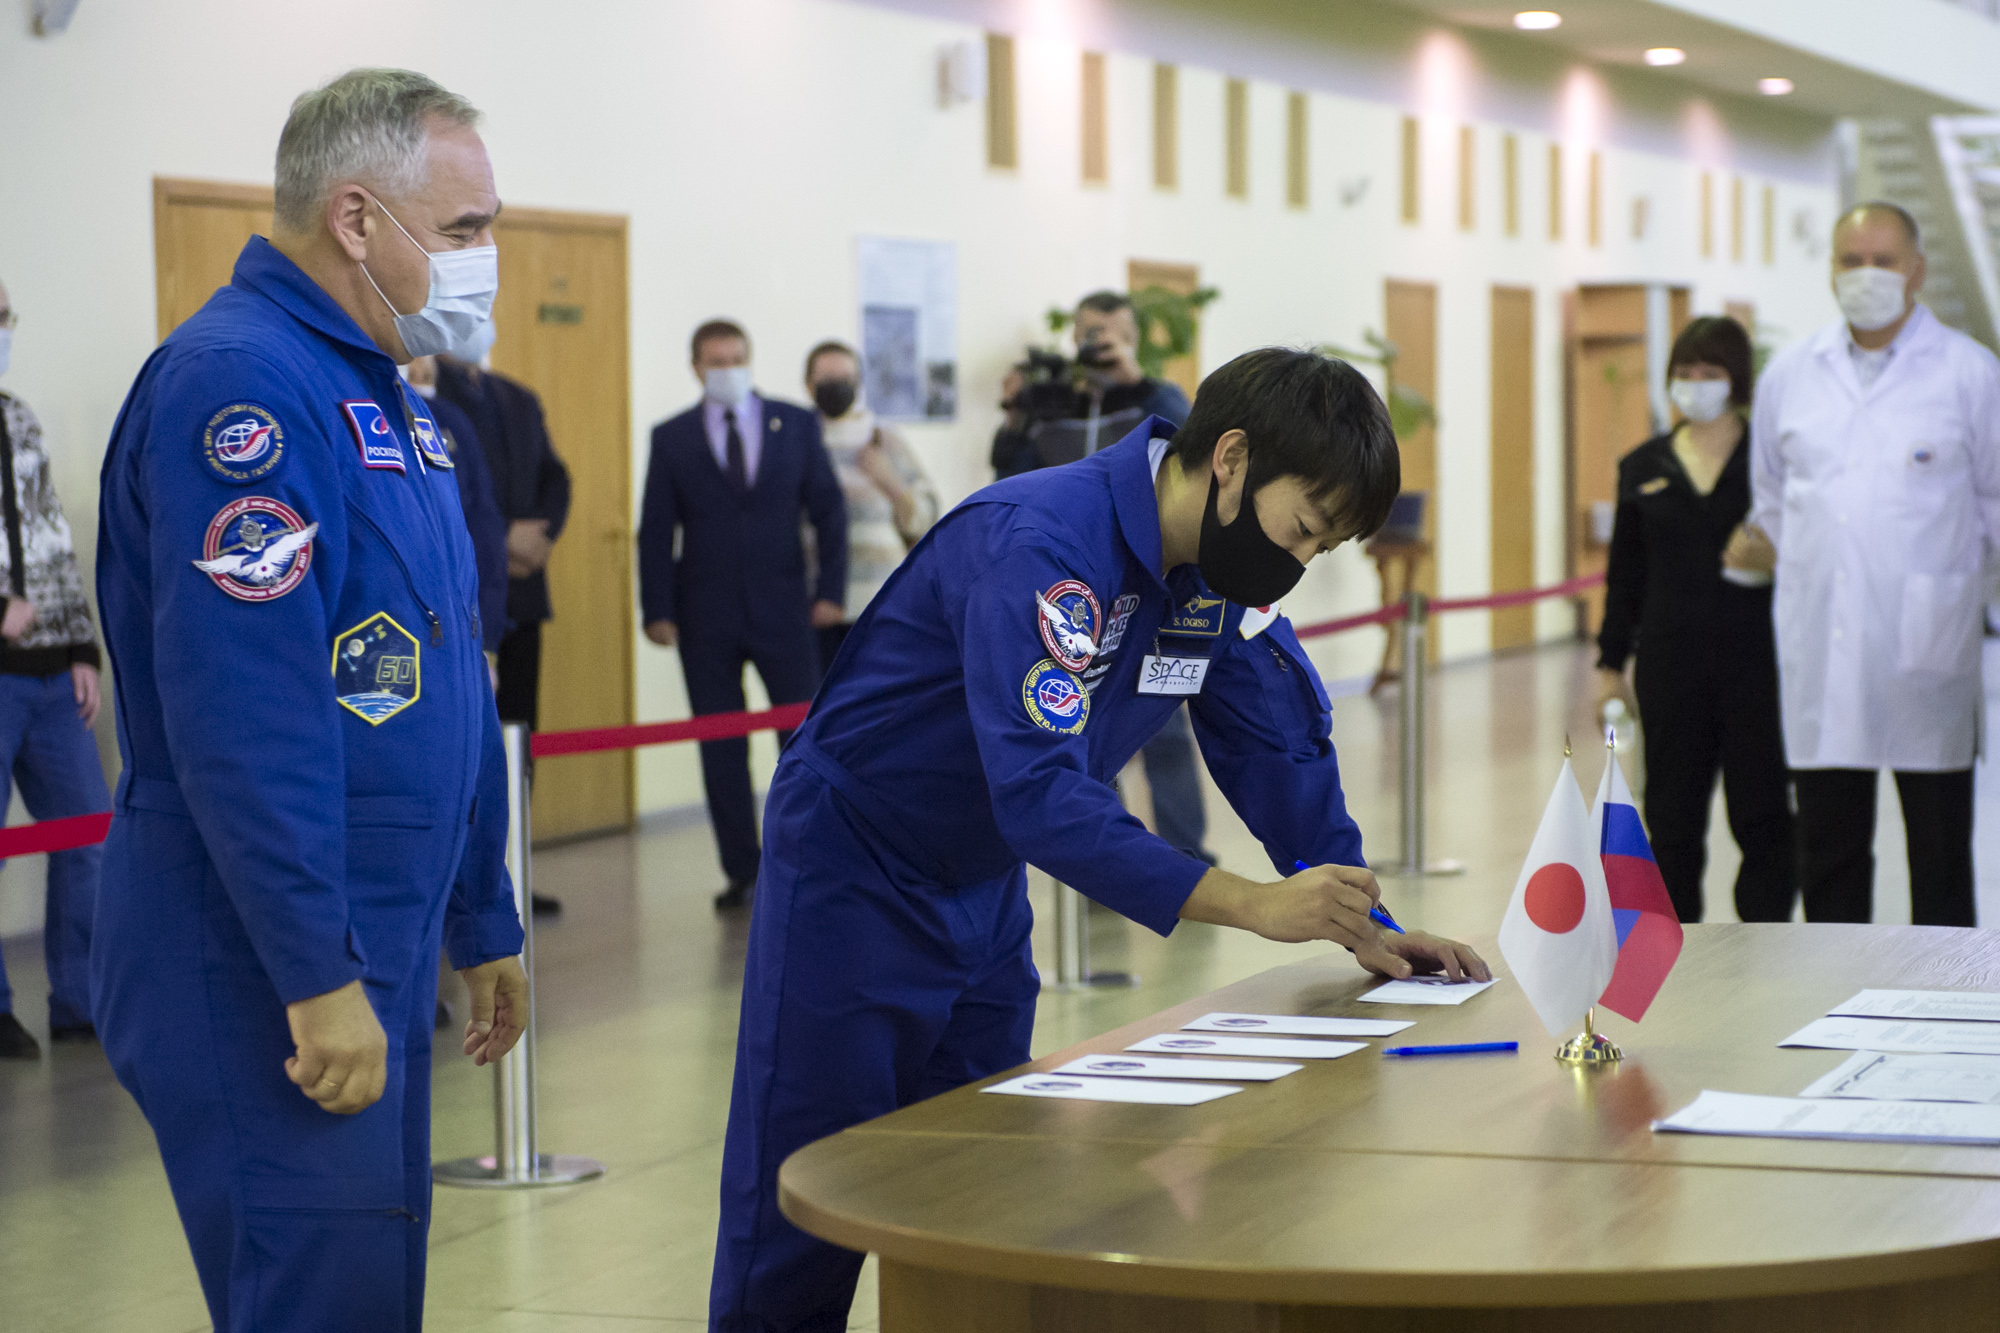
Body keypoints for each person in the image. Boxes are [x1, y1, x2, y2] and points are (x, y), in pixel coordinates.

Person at [710, 348, 1491, 1331]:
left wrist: (1363, 918)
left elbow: (1274, 742)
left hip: (983, 885)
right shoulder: (1042, 542)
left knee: (977, 1184)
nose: (1295, 564)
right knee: (805, 1193)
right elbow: (1040, 795)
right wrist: (1252, 905)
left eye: (1321, 549)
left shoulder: (1216, 574)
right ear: (1231, 460)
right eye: (1302, 528)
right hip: (852, 869)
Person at [91, 69, 527, 1331]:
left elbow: (445, 666)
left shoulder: (383, 392)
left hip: (373, 933)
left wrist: (480, 910)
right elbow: (247, 715)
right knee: (317, 1296)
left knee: (368, 1289)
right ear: (354, 218)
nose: (482, 259)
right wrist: (314, 971)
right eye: (461, 230)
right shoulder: (241, 387)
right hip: (258, 946)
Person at [1751, 201, 2000, 926]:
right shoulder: (1791, 374)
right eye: (1851, 261)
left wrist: (1952, 589)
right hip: (1822, 647)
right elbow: (1771, 497)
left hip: (1928, 649)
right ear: (1830, 270)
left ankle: (1943, 988)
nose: (1867, 276)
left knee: (1940, 858)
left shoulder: (1970, 373)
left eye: (1883, 261)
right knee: (1828, 855)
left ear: (1917, 270)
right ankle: (1837, 985)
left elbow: (1994, 504)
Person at [991, 290, 1215, 863]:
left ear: (1132, 339)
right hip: (1068, 583)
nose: (1098, 344)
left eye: (1112, 334)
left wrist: (1133, 378)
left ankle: (1188, 856)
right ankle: (1102, 857)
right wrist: (1015, 413)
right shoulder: (1052, 403)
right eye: (1089, 333)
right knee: (1080, 719)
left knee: (1163, 723)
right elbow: (1008, 474)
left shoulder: (1153, 398)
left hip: (1150, 580)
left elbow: (1195, 445)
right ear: (1074, 337)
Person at [640, 321, 847, 910]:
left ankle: (809, 859)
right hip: (704, 615)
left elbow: (829, 511)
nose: (727, 369)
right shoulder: (672, 436)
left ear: (750, 360)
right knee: (720, 748)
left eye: (736, 358)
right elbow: (656, 528)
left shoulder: (795, 424)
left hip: (786, 609)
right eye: (715, 361)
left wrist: (830, 592)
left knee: (803, 739)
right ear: (696, 367)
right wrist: (656, 608)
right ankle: (743, 872)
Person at [1596, 315, 1793, 923]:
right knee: (1673, 820)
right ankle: (1676, 943)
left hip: (1758, 665)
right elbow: (1625, 576)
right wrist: (1610, 666)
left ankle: (1767, 938)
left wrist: (1777, 558)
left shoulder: (1769, 462)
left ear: (1736, 380)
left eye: (1711, 372)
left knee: (1763, 816)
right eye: (1685, 371)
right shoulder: (1643, 465)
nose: (1696, 383)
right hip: (1670, 666)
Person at [0, 279, 111, 1059]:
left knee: (86, 832)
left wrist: (80, 648)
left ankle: (79, 997)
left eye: (5, 315)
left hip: (47, 673)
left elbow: (48, 537)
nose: (4, 327)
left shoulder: (18, 417)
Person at [433, 326, 569, 916]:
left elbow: (555, 478)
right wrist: (499, 538)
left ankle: (509, 870)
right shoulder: (423, 396)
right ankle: (454, 882)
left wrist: (541, 536)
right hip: (463, 598)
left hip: (523, 595)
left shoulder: (516, 397)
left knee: (519, 736)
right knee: (461, 744)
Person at [802, 339, 938, 668]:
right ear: (808, 384)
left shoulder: (884, 439)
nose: (837, 386)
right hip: (815, 603)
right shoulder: (798, 438)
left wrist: (892, 484)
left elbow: (928, 518)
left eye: (846, 378)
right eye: (827, 378)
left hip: (881, 602)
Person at [406, 354, 507, 662]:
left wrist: (487, 636)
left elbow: (483, 526)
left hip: (454, 615)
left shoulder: (448, 420)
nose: (419, 361)